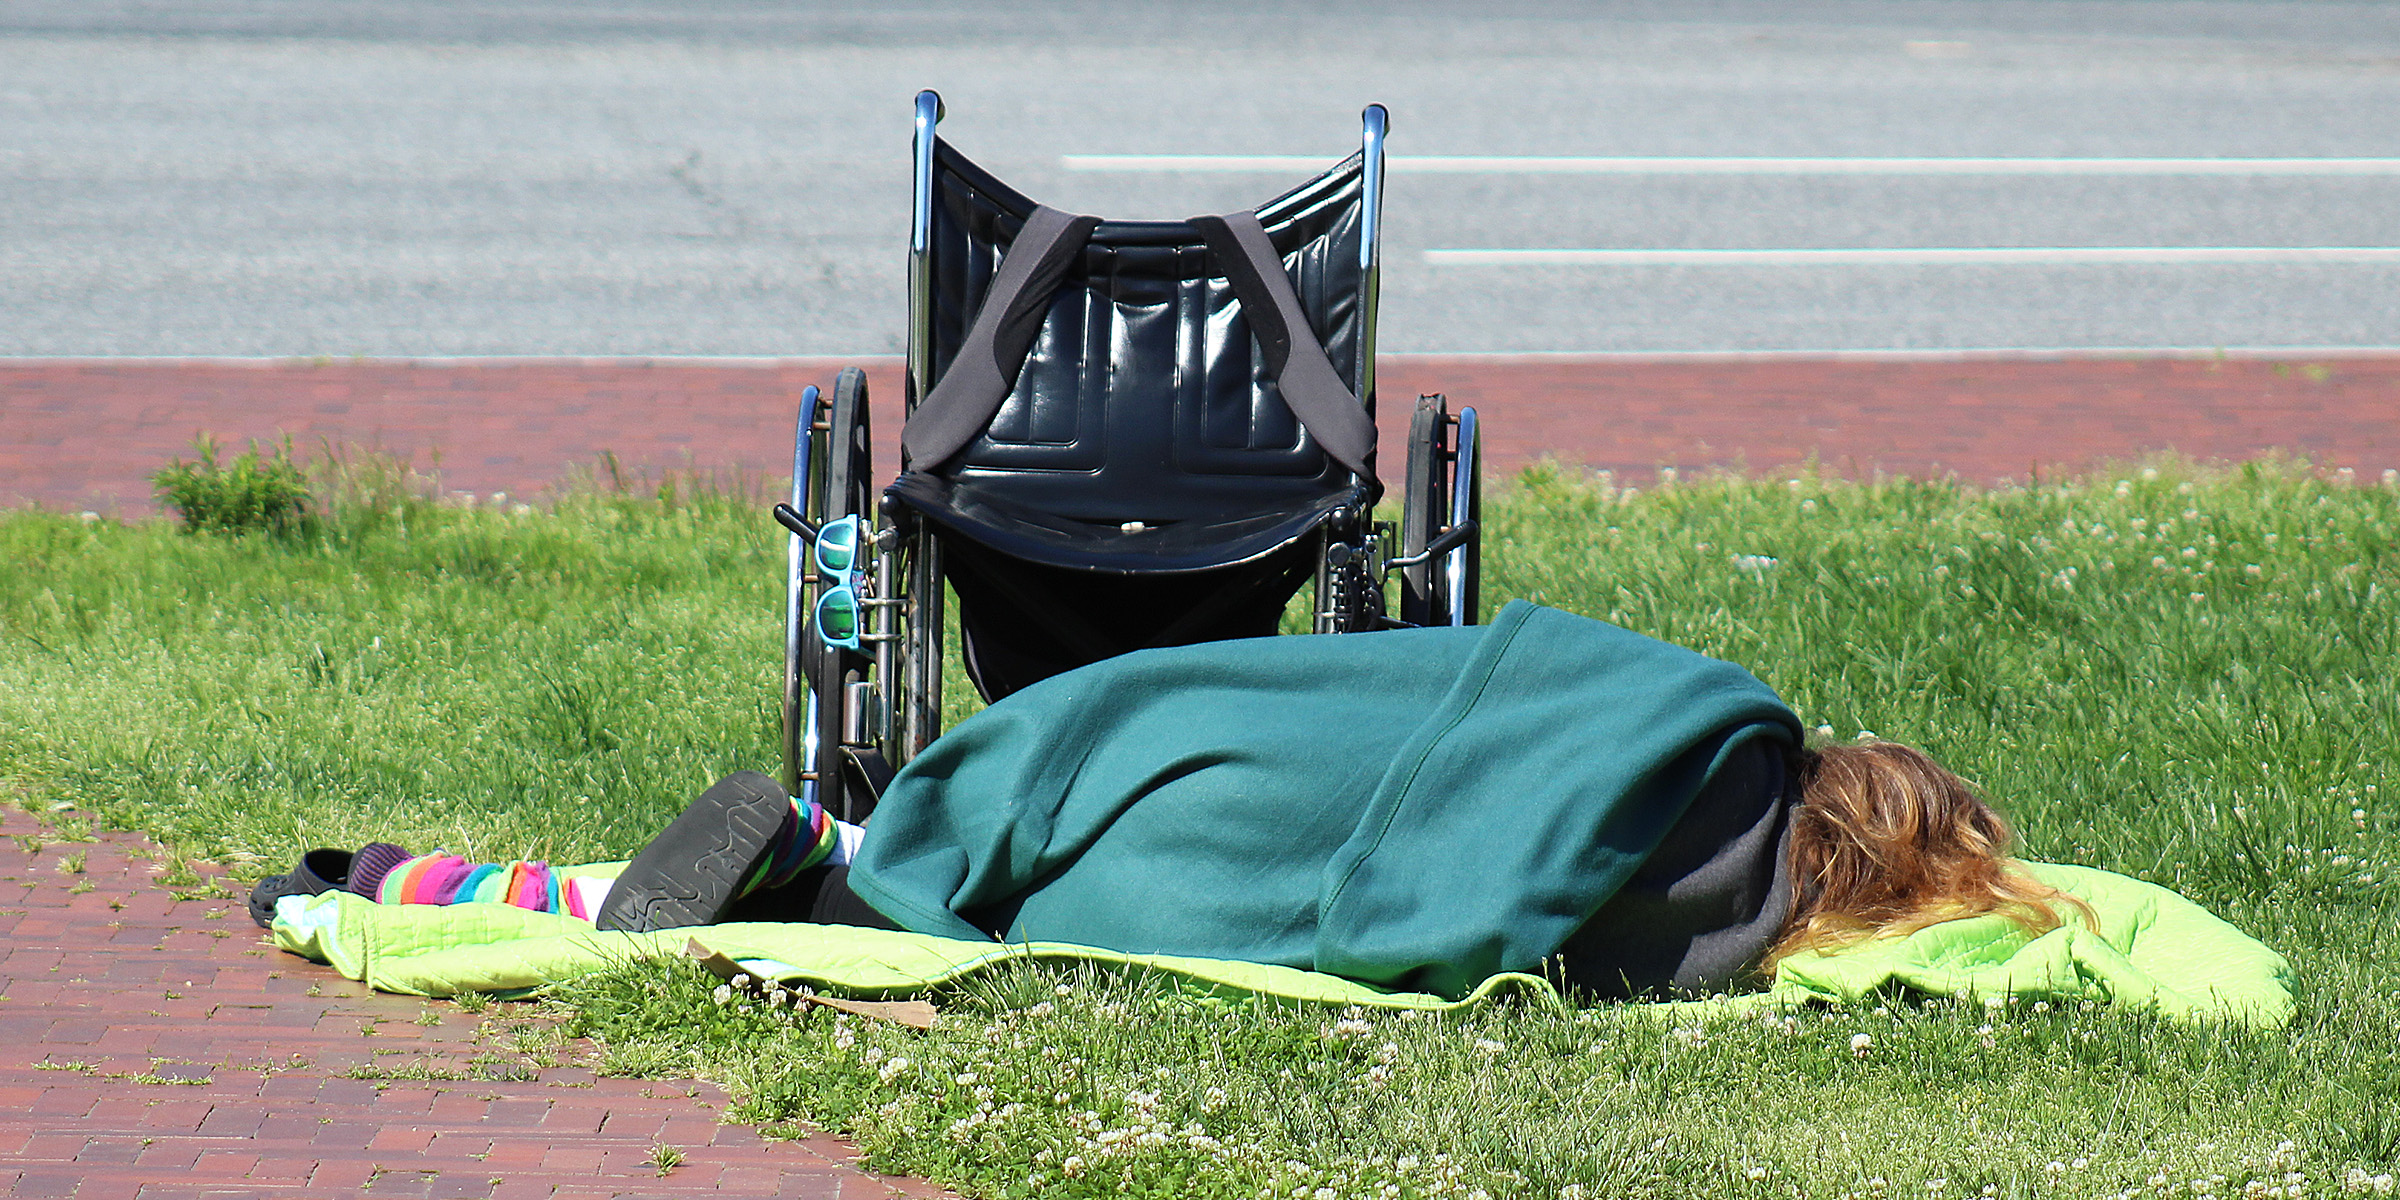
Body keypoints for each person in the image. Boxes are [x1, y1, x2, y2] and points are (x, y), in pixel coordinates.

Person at [254, 601, 2083, 1001]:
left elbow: (1416, 683)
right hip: (1212, 873)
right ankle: (491, 891)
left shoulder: (1677, 701)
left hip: (1188, 740)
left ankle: (445, 875)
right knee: (955, 902)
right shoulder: (1718, 937)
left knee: (1019, 804)